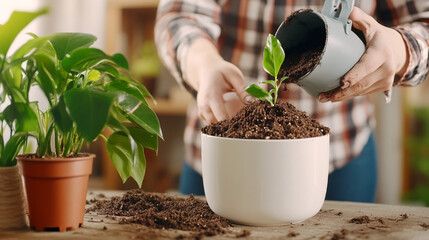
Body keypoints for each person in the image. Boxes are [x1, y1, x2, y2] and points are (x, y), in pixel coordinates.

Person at [154, 0, 429, 202]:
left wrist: (400, 49)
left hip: (340, 151)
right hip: (223, 152)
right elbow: (180, 15)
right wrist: (204, 65)